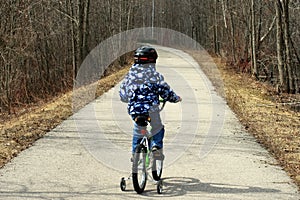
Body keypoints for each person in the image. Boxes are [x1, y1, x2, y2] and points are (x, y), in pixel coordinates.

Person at [119, 46, 181, 158]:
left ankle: (135, 154)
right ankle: (156, 147)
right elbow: (165, 91)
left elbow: (123, 95)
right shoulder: (155, 76)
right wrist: (175, 98)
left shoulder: (129, 77)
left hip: (135, 110)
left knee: (138, 129)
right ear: (153, 62)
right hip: (152, 109)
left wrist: (129, 99)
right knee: (157, 127)